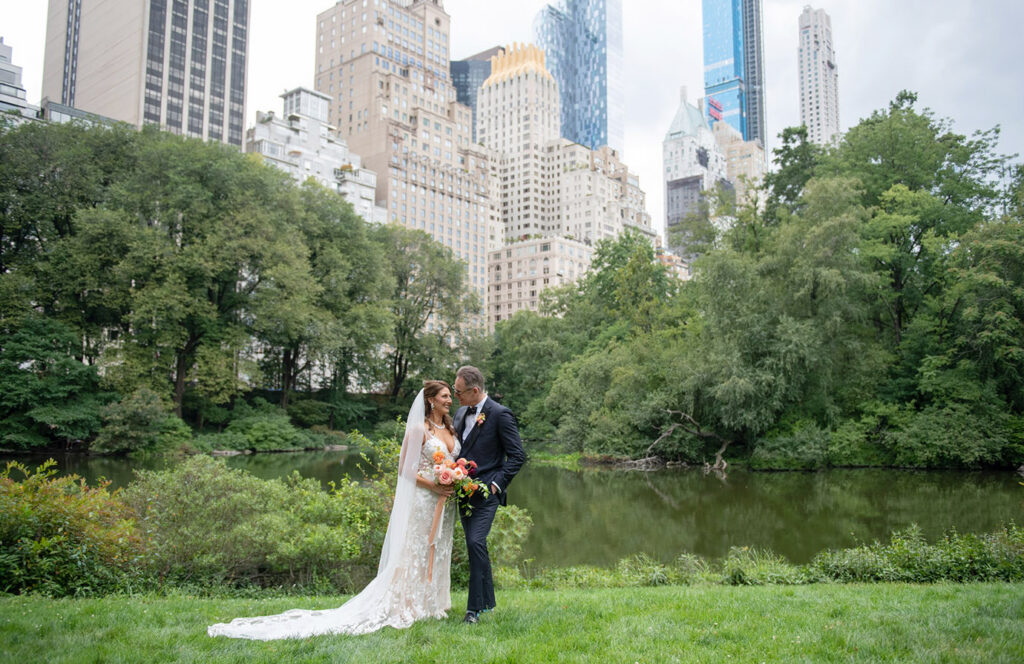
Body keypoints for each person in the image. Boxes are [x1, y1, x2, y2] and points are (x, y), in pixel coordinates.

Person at [207, 380, 461, 640]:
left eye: (449, 396)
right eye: (443, 396)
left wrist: (455, 475)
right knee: (415, 549)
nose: (449, 400)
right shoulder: (418, 429)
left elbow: (452, 461)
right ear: (430, 400)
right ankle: (409, 605)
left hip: (443, 502)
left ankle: (432, 603)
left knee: (438, 548)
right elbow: (404, 470)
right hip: (423, 499)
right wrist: (434, 485)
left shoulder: (450, 428)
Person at [452, 365, 526, 624]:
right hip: (462, 492)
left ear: (474, 391)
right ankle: (486, 603)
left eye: (459, 392)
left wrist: (496, 484)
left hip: (487, 494)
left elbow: (518, 456)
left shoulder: (500, 414)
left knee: (475, 542)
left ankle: (472, 611)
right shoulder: (461, 413)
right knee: (475, 546)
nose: (455, 396)